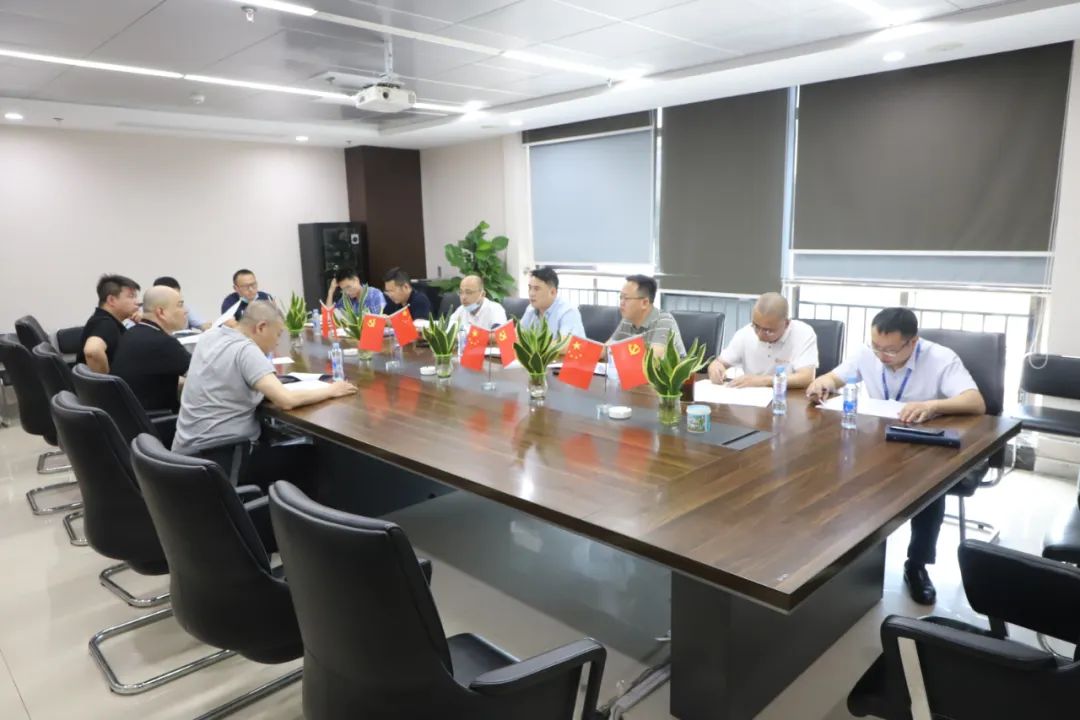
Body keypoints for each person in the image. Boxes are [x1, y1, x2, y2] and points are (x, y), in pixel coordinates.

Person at [806, 307, 986, 605]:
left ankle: (917, 564)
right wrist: (822, 383)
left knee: (930, 488)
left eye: (889, 350)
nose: (881, 355)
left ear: (913, 342)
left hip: (922, 444)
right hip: (877, 443)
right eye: (876, 346)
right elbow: (834, 378)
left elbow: (975, 402)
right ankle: (839, 556)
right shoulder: (868, 354)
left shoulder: (941, 358)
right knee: (836, 470)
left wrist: (932, 405)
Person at [172, 300, 357, 488]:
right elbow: (286, 400)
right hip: (224, 460)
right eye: (278, 334)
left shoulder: (210, 336)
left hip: (186, 456)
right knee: (310, 454)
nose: (277, 342)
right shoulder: (246, 350)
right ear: (261, 327)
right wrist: (332, 390)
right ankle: (297, 506)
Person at [707, 292, 818, 389]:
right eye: (756, 326)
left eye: (768, 330)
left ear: (786, 324)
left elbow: (806, 377)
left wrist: (762, 381)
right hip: (752, 399)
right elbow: (719, 362)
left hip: (787, 398)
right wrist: (715, 368)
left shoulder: (803, 333)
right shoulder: (745, 333)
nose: (760, 335)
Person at [111, 285, 191, 414]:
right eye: (180, 305)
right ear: (161, 312)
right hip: (158, 420)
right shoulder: (163, 343)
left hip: (128, 416)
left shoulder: (132, 332)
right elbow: (203, 375)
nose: (185, 311)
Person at [76, 274, 141, 373]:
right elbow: (92, 350)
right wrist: (106, 380)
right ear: (111, 300)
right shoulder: (105, 323)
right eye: (131, 296)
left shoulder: (103, 319)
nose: (137, 302)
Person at [608, 274, 684, 355]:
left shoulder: (664, 321)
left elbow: (653, 358)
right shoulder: (627, 320)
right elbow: (606, 350)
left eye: (626, 298)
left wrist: (616, 352)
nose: (621, 303)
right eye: (621, 297)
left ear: (644, 303)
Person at [520, 267, 585, 338]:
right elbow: (518, 336)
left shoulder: (568, 312)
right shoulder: (530, 309)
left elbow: (565, 343)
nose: (531, 293)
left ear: (552, 292)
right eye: (530, 288)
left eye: (536, 289)